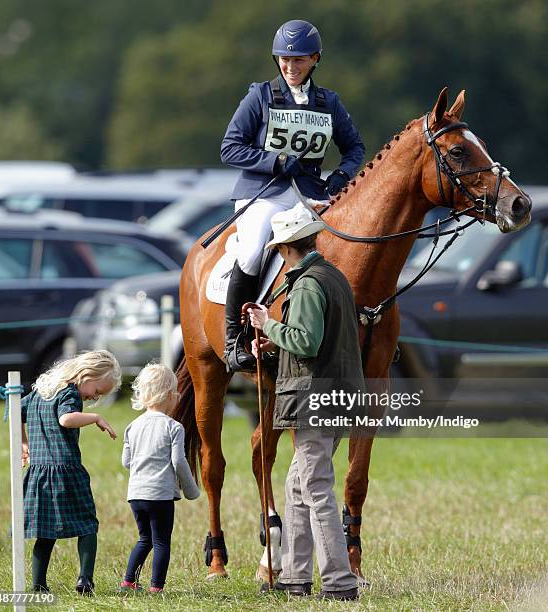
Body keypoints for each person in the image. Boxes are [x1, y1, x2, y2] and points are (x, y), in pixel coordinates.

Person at [220, 19, 365, 372]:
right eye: (284, 60)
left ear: (315, 59)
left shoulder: (328, 102)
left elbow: (355, 147)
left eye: (298, 60)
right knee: (253, 250)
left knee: (346, 247)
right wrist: (274, 161)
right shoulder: (260, 96)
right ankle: (233, 340)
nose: (290, 67)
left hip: (309, 195)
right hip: (263, 193)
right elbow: (230, 148)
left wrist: (342, 176)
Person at [248, 204, 364, 601]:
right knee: (297, 486)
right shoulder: (333, 277)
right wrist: (275, 341)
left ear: (285, 249)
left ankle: (339, 583)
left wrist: (269, 325)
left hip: (315, 399)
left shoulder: (308, 284)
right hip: (336, 394)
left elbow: (306, 341)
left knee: (314, 487)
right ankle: (296, 578)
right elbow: (315, 342)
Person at [20, 350, 122, 595]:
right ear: (87, 374)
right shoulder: (69, 392)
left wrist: (23, 442)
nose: (92, 398)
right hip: (66, 471)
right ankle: (85, 580)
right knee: (87, 525)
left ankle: (39, 586)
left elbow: (14, 412)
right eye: (96, 391)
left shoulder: (39, 393)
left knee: (45, 533)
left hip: (38, 475)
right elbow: (66, 419)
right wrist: (95, 417)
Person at [120, 363, 200, 594]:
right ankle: (157, 587)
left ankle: (129, 581)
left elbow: (127, 462)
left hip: (136, 495)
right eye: (176, 393)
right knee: (161, 541)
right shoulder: (174, 427)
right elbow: (178, 461)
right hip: (160, 494)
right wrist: (191, 489)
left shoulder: (132, 426)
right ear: (168, 396)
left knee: (144, 538)